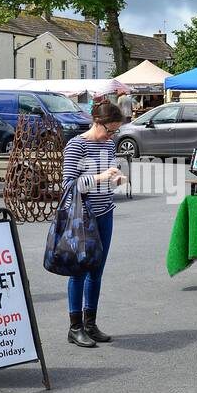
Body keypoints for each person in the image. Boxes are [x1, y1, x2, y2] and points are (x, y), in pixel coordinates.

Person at [61, 101, 126, 347]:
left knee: (96, 272)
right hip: (81, 216)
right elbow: (69, 186)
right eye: (109, 129)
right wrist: (99, 177)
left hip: (104, 212)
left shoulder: (108, 144)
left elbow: (106, 180)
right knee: (79, 271)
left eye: (115, 131)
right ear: (96, 122)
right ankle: (75, 327)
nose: (111, 135)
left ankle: (90, 323)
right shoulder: (76, 145)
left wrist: (115, 180)